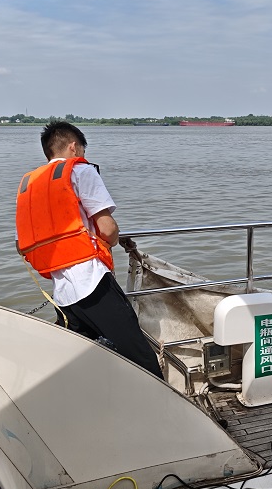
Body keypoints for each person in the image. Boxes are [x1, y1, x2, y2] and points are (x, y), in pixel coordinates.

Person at [15, 121, 163, 379]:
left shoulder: (30, 185)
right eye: (83, 150)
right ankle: (164, 403)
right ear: (74, 147)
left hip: (63, 294)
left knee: (83, 362)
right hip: (92, 283)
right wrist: (113, 238)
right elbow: (108, 229)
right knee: (140, 359)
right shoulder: (80, 171)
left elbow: (22, 244)